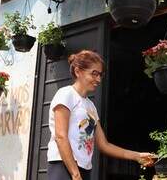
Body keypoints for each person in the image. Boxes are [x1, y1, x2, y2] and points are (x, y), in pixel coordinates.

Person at [47, 50, 155, 180]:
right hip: (63, 166)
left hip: (83, 169)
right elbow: (61, 136)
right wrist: (75, 174)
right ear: (78, 71)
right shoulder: (66, 94)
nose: (98, 79)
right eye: (94, 74)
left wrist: (137, 156)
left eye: (100, 75)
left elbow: (104, 145)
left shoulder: (90, 106)